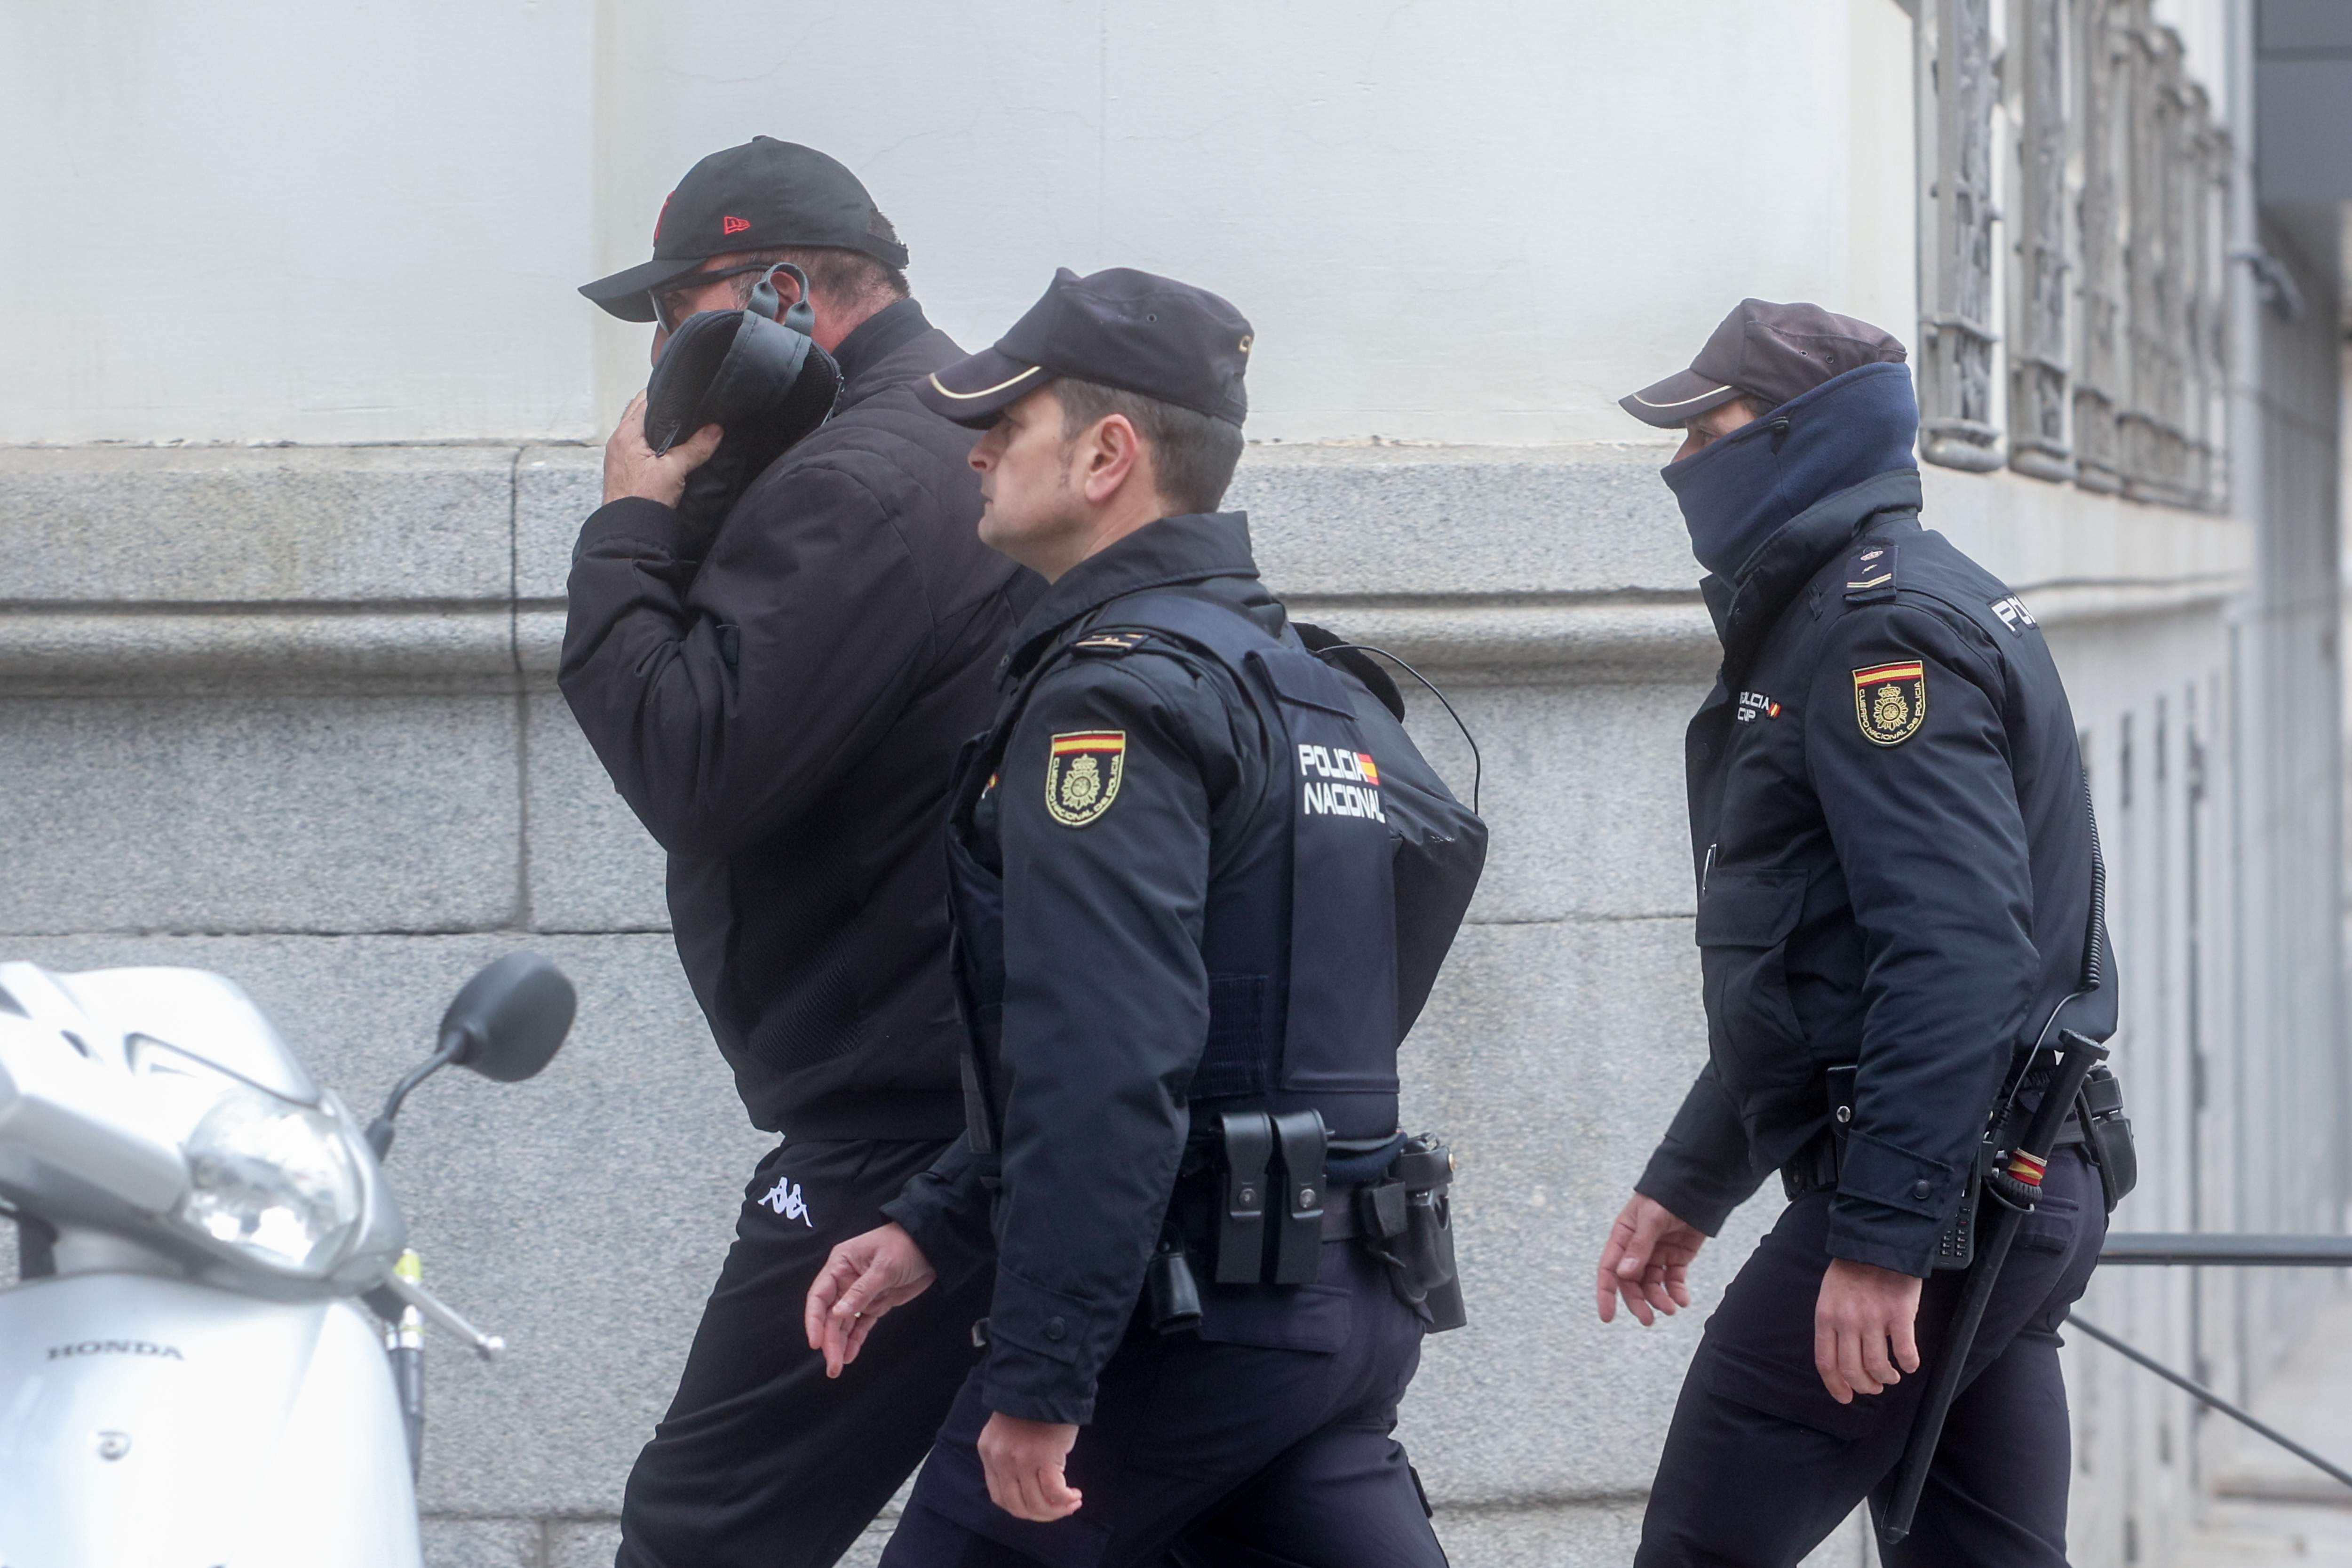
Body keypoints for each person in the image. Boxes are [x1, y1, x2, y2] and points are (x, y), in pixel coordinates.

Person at [799, 266, 1483, 1567]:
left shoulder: (1110, 704)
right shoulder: (1307, 687)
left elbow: (1105, 1056)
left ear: (1109, 454)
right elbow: (1417, 881)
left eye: (1011, 418)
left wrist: (1046, 1375)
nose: (980, 446)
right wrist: (938, 1222)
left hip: (1185, 1326)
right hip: (1339, 1300)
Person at [561, 136, 1034, 1568]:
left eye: (674, 313)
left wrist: (634, 515)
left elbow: (694, 763)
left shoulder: (861, 481)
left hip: (900, 1127)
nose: (658, 357)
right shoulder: (952, 436)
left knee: (705, 1526)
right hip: (987, 1096)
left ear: (776, 295)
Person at [1596, 299, 2121, 1565]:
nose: (1678, 467)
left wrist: (1887, 1243)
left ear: (1791, 440)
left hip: (1944, 1196)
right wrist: (1695, 1176)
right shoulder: (1870, 609)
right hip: (2008, 1179)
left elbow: (1955, 954)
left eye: (1703, 432)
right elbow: (1816, 968)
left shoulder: (1881, 633)